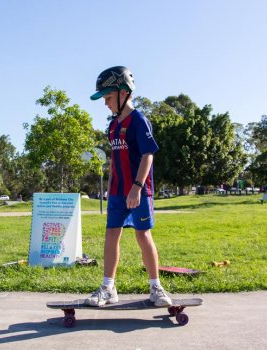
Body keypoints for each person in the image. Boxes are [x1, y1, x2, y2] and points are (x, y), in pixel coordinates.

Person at [84, 66, 172, 307]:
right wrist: (111, 187)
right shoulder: (112, 126)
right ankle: (108, 288)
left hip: (138, 191)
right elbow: (114, 160)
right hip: (117, 193)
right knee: (111, 235)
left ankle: (156, 288)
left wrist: (136, 187)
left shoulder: (138, 120)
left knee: (143, 235)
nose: (106, 103)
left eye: (108, 98)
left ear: (124, 93)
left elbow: (148, 155)